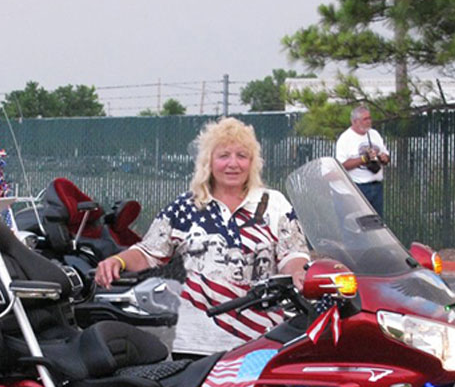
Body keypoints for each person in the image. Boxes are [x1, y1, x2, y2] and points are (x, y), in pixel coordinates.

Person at [94, 117, 310, 355]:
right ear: (208, 161)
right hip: (195, 343)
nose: (233, 164)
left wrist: (300, 271)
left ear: (253, 162)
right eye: (224, 155)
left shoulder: (274, 203)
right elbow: (149, 252)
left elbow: (293, 255)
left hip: (261, 340)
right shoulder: (186, 206)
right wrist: (119, 261)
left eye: (242, 155)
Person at [335, 105, 390, 216]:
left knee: (376, 224)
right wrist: (364, 159)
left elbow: (386, 155)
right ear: (355, 121)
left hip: (376, 186)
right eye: (365, 119)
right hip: (358, 188)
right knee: (359, 223)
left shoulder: (374, 134)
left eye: (369, 118)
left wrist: (384, 158)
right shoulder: (345, 139)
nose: (369, 122)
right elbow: (341, 166)